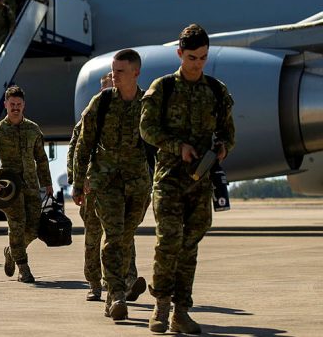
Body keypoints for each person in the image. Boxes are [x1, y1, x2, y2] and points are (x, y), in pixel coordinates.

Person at [140, 23, 235, 334]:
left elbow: (228, 134)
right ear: (180, 54)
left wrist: (221, 149)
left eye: (203, 57)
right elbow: (147, 129)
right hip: (168, 178)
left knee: (190, 245)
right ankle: (161, 307)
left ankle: (181, 311)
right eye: (193, 57)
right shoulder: (163, 88)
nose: (198, 63)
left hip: (200, 180)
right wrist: (176, 146)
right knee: (169, 241)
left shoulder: (217, 92)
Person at [74, 49, 151, 321]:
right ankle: (116, 293)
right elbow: (83, 144)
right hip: (105, 182)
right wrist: (77, 180)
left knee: (126, 237)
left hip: (138, 184)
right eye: (113, 70)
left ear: (135, 73)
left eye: (120, 71)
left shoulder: (149, 104)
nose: (114, 76)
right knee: (114, 236)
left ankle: (115, 290)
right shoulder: (102, 102)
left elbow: (161, 144)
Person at [0, 86, 53, 283]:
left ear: (24, 105)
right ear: (5, 105)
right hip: (9, 188)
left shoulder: (33, 129)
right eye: (12, 104)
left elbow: (41, 158)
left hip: (31, 184)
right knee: (17, 224)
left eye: (19, 104)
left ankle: (11, 252)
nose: (15, 108)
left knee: (34, 228)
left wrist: (47, 183)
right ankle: (23, 267)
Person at [67, 72, 112, 301]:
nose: (112, 91)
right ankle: (94, 283)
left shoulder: (128, 114)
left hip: (116, 188)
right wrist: (77, 181)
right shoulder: (89, 117)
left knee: (122, 237)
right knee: (93, 239)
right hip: (92, 187)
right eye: (107, 87)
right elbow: (76, 150)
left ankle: (124, 280)